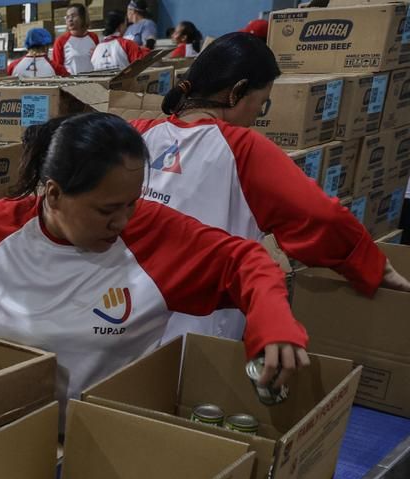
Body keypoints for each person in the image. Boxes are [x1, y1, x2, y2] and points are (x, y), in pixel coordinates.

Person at [0, 112, 311, 418]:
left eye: (132, 203)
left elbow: (245, 261)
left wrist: (272, 322)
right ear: (55, 194)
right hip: (7, 426)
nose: (123, 222)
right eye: (107, 210)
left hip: (113, 437)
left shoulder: (152, 234)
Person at [132, 33, 410, 343]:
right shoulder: (243, 149)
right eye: (260, 105)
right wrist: (377, 269)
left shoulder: (137, 134)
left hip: (126, 316)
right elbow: (321, 218)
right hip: (196, 332)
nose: (255, 118)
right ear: (237, 92)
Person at [54, 4, 99, 75]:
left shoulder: (93, 37)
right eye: (67, 17)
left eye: (73, 16)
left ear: (83, 18)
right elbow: (57, 67)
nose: (70, 19)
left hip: (92, 82)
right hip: (72, 83)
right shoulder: (61, 41)